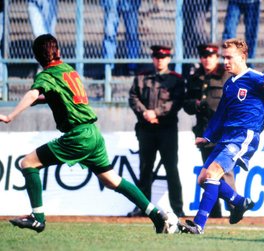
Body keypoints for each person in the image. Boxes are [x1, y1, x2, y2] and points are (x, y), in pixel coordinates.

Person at [1, 34, 171, 234]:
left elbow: (32, 93)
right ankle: (156, 215)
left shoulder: (46, 75)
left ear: (37, 57)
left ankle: (37, 218)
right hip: (93, 133)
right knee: (111, 180)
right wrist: (41, 99)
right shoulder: (68, 70)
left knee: (28, 163)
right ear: (58, 52)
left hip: (78, 135)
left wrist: (10, 116)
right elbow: (58, 95)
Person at [178, 38, 264, 234]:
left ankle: (198, 225)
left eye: (229, 58)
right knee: (202, 178)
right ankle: (240, 202)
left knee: (213, 173)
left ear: (242, 57)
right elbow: (221, 115)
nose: (225, 62)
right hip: (227, 136)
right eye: (224, 58)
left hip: (245, 135)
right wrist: (207, 136)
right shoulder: (230, 84)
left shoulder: (258, 79)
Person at [128, 45, 185, 218]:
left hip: (167, 130)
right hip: (146, 129)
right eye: (157, 57)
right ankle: (143, 207)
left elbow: (177, 101)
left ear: (168, 59)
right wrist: (145, 112)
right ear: (153, 58)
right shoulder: (141, 77)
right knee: (145, 169)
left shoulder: (176, 79)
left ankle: (177, 208)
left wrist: (156, 112)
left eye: (163, 58)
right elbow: (133, 97)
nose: (160, 60)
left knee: (171, 169)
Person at [184, 43, 236, 218]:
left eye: (211, 56)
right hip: (204, 132)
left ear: (216, 57)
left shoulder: (225, 76)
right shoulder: (195, 78)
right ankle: (213, 212)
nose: (207, 60)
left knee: (225, 172)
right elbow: (187, 104)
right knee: (207, 173)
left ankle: (235, 208)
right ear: (200, 58)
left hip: (223, 132)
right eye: (204, 57)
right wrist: (196, 104)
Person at [102, 0, 141, 75]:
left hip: (131, 3)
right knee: (109, 34)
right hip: (111, 3)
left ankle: (132, 66)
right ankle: (108, 67)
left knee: (132, 33)